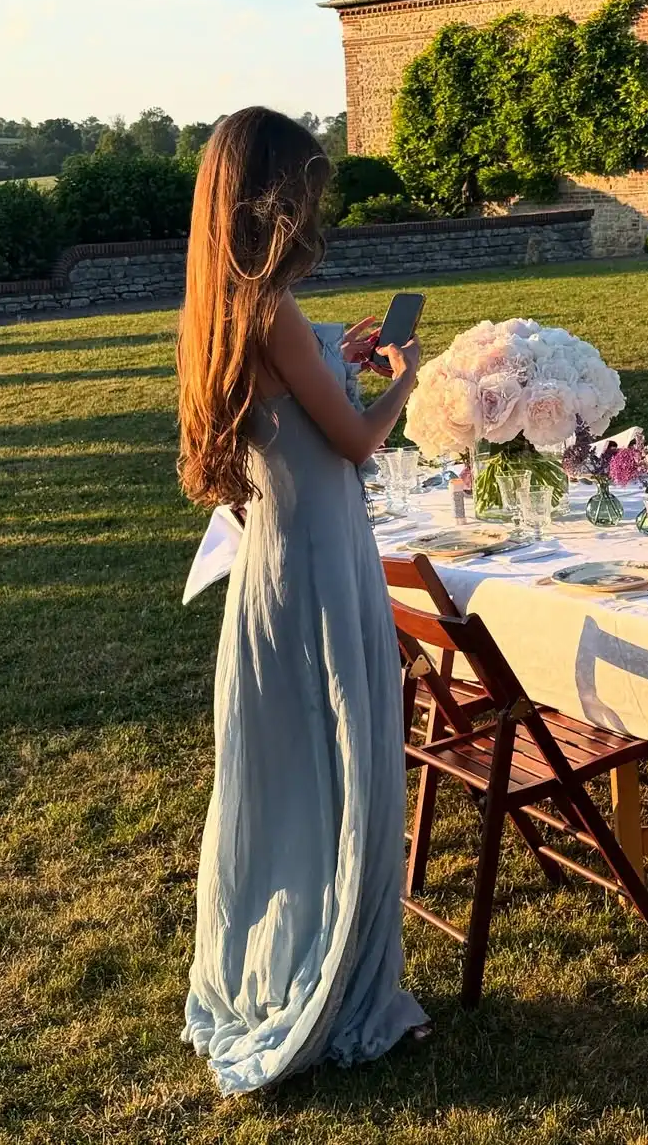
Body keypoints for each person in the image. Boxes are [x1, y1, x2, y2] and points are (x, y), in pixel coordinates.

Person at [175, 106, 428, 1096]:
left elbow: (297, 397)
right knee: (341, 765)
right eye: (304, 192)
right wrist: (402, 378)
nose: (311, 210)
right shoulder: (271, 314)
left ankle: (274, 957)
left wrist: (341, 347)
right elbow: (358, 442)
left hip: (272, 575)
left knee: (285, 783)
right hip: (322, 570)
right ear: (272, 199)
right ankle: (338, 983)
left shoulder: (223, 308)